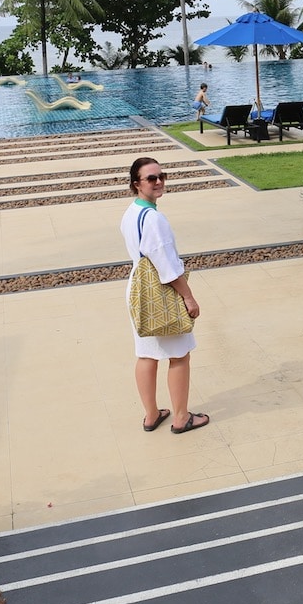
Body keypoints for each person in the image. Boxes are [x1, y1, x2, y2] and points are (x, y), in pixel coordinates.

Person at [121, 157, 209, 435]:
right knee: (179, 355)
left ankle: (151, 415)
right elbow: (168, 268)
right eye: (151, 178)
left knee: (146, 354)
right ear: (137, 183)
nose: (158, 182)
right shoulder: (155, 219)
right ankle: (181, 418)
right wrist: (189, 298)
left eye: (162, 176)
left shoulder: (131, 212)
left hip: (138, 291)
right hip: (162, 294)